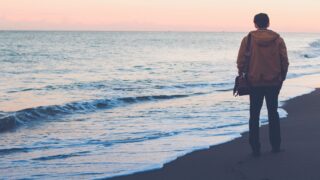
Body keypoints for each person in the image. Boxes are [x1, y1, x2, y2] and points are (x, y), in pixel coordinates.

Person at [237, 13, 289, 157]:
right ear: (268, 23)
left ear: (255, 23)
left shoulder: (248, 39)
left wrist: (242, 73)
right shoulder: (278, 39)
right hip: (273, 82)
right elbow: (284, 60)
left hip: (254, 82)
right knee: (273, 113)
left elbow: (241, 60)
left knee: (254, 115)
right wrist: (281, 78)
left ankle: (255, 148)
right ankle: (276, 146)